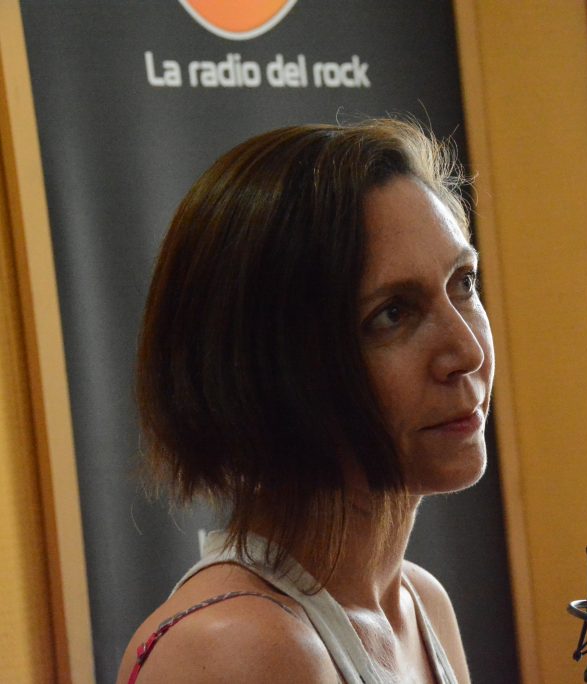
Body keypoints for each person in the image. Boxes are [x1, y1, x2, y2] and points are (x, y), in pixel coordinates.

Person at [116, 119, 493, 683]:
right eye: (393, 313)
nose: (466, 351)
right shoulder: (244, 647)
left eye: (463, 282)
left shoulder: (421, 603)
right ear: (272, 367)